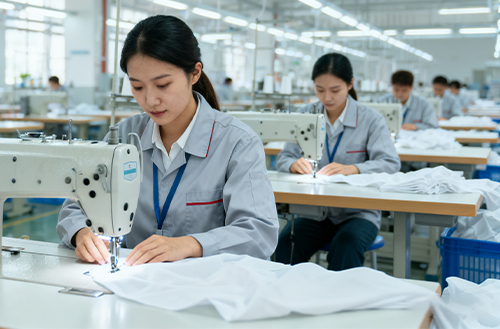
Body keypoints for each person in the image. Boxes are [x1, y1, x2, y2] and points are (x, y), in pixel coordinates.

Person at [57, 15, 279, 266]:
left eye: (162, 85)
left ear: (194, 73)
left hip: (207, 281)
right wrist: (81, 233)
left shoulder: (237, 143)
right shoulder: (122, 137)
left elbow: (258, 232)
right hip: (135, 277)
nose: (150, 100)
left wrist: (190, 245)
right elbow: (75, 206)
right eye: (137, 87)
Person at [274, 53, 401, 271]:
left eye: (335, 90)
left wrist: (354, 168)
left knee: (346, 245)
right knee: (286, 243)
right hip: (315, 211)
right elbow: (284, 157)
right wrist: (293, 164)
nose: (327, 97)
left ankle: (339, 294)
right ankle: (289, 292)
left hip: (358, 213)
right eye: (320, 90)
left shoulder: (370, 119)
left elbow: (390, 163)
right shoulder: (305, 115)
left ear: (350, 84)